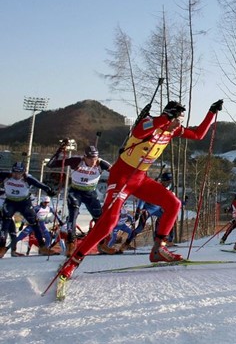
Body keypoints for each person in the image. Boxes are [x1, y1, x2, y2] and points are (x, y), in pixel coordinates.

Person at [57, 99, 223, 280]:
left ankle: (159, 248)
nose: (178, 125)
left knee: (173, 203)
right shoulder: (149, 124)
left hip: (139, 179)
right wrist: (165, 118)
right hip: (121, 177)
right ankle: (73, 261)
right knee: (109, 222)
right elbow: (140, 130)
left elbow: (198, 134)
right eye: (177, 120)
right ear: (168, 117)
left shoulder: (173, 130)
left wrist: (211, 112)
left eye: (180, 122)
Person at [47, 144, 112, 256]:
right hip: (75, 191)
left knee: (100, 218)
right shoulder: (76, 161)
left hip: (90, 193)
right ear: (84, 157)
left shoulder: (101, 163)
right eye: (90, 158)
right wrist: (59, 151)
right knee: (73, 215)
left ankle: (102, 244)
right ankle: (71, 243)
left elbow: (117, 171)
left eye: (95, 158)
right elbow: (51, 164)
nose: (93, 161)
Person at [0, 162, 57, 257]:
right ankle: (1, 248)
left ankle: (42, 247)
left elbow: (39, 184)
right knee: (5, 223)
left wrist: (49, 190)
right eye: (15, 172)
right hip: (10, 201)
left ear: (23, 172)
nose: (16, 175)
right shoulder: (6, 175)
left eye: (19, 173)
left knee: (35, 223)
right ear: (12, 171)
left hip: (24, 203)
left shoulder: (27, 178)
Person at [119, 172, 174, 251]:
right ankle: (126, 244)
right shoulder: (156, 187)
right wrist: (138, 210)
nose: (168, 184)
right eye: (167, 182)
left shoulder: (169, 188)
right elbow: (143, 198)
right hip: (148, 209)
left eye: (170, 182)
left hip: (158, 209)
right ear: (162, 181)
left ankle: (163, 242)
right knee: (139, 228)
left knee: (169, 221)